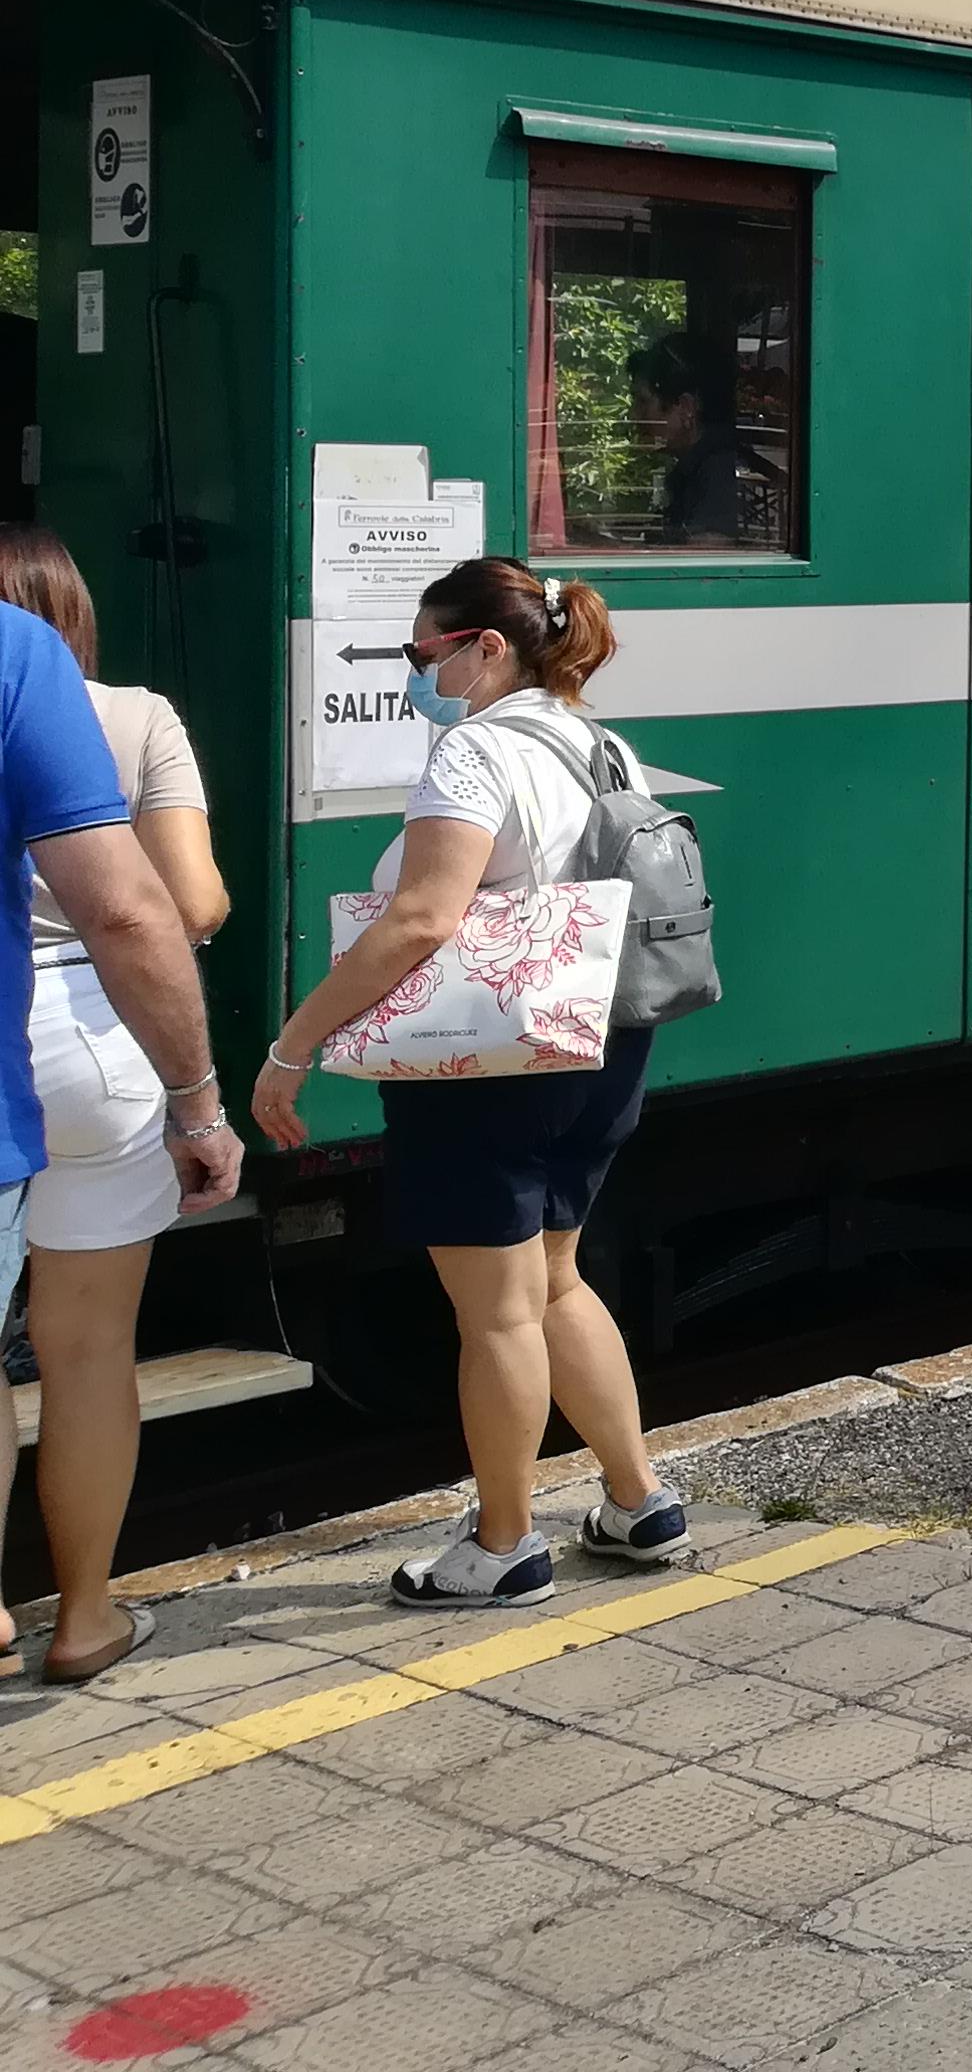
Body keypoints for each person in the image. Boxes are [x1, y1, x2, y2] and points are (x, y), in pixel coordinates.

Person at [249, 558, 691, 1607]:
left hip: (486, 1065)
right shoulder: (599, 740)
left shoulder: (476, 751)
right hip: (597, 1045)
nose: (416, 672)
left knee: (493, 1316)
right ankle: (637, 1501)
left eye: (420, 653)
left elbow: (419, 919)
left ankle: (502, 1546)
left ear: (483, 647)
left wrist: (293, 1045)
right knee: (555, 1280)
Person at [0, 531, 235, 1684]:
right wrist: (201, 1106)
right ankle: (85, 1617)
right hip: (103, 1048)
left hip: (1, 1041)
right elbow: (187, 903)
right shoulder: (135, 714)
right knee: (88, 1350)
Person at [623, 335, 750, 546]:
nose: (635, 415)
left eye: (644, 402)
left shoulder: (716, 474)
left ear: (686, 408)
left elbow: (707, 558)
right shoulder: (696, 467)